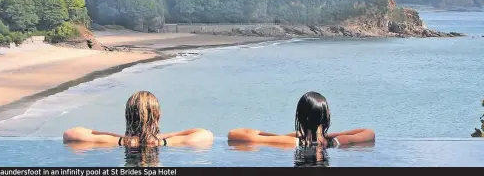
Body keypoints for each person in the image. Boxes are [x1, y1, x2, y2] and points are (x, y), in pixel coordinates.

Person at [63, 91, 213, 147]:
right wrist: (157, 137)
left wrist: (123, 137)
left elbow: (70, 133)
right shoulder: (166, 143)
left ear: (127, 116)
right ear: (158, 116)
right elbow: (205, 133)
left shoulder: (116, 142)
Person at [227, 91, 375, 148]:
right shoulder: (337, 142)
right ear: (327, 116)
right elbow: (368, 132)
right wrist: (325, 136)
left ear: (299, 116)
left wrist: (281, 136)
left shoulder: (291, 142)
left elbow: (234, 134)